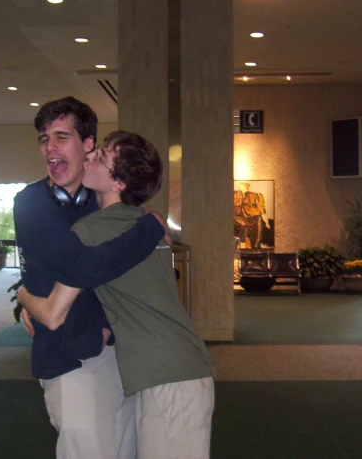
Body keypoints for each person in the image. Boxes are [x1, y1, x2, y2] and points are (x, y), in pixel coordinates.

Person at [18, 130, 216, 459]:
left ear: (119, 183)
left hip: (168, 375)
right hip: (173, 370)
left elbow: (53, 312)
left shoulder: (94, 230)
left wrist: (24, 296)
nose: (91, 157)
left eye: (102, 157)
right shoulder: (143, 222)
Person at [13, 97, 166, 459]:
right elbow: (81, 268)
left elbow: (128, 278)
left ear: (87, 145)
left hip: (122, 355)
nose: (49, 147)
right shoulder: (32, 203)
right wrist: (150, 228)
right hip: (69, 360)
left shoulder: (106, 200)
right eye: (43, 138)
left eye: (61, 137)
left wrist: (104, 327)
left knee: (126, 450)